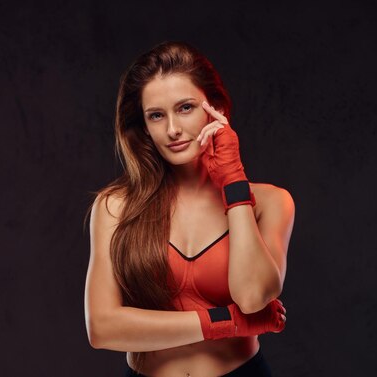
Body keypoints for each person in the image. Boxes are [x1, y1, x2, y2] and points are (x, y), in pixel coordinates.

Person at [83, 41, 295, 377]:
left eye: (185, 108)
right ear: (144, 126)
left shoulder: (270, 201)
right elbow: (103, 327)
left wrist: (233, 181)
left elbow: (253, 297)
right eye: (156, 115)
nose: (172, 130)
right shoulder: (116, 206)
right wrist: (224, 323)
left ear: (216, 109)